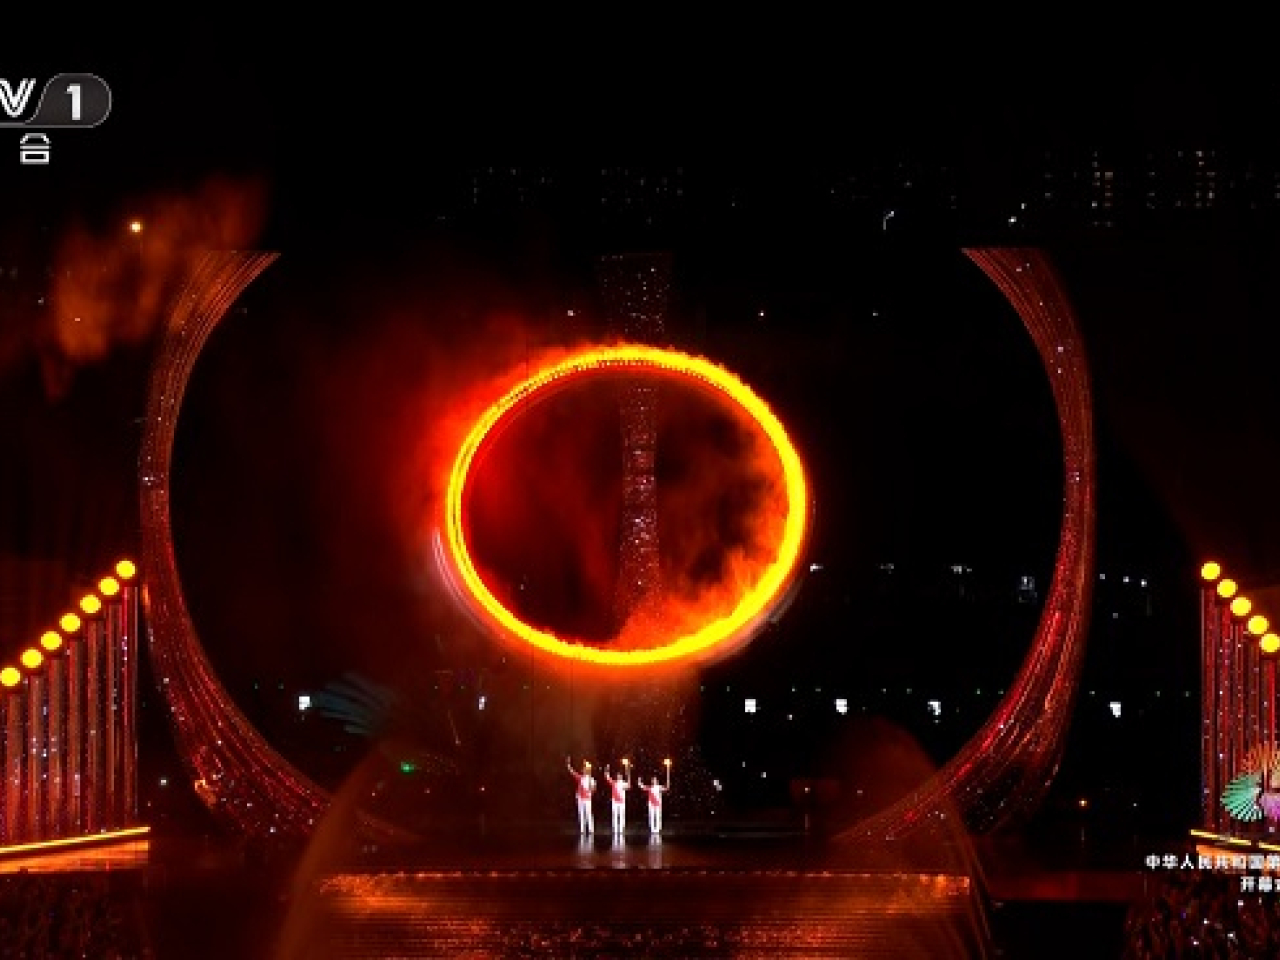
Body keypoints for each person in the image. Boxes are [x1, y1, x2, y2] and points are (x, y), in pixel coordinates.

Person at [566, 756, 596, 834]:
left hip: (587, 799)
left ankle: (590, 829)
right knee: (581, 813)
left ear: (588, 771)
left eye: (585, 769)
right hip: (580, 798)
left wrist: (590, 791)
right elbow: (572, 772)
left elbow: (593, 789)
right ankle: (582, 829)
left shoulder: (592, 779)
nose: (583, 770)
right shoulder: (580, 778)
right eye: (583, 770)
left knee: (588, 813)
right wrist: (568, 764)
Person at [604, 764, 630, 834]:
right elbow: (607, 776)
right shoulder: (614, 783)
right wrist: (607, 769)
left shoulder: (624, 783)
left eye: (620, 775)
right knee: (615, 814)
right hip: (615, 801)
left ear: (621, 776)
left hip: (621, 801)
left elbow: (629, 786)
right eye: (618, 775)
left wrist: (628, 774)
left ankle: (621, 829)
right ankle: (615, 828)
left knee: (621, 815)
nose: (619, 776)